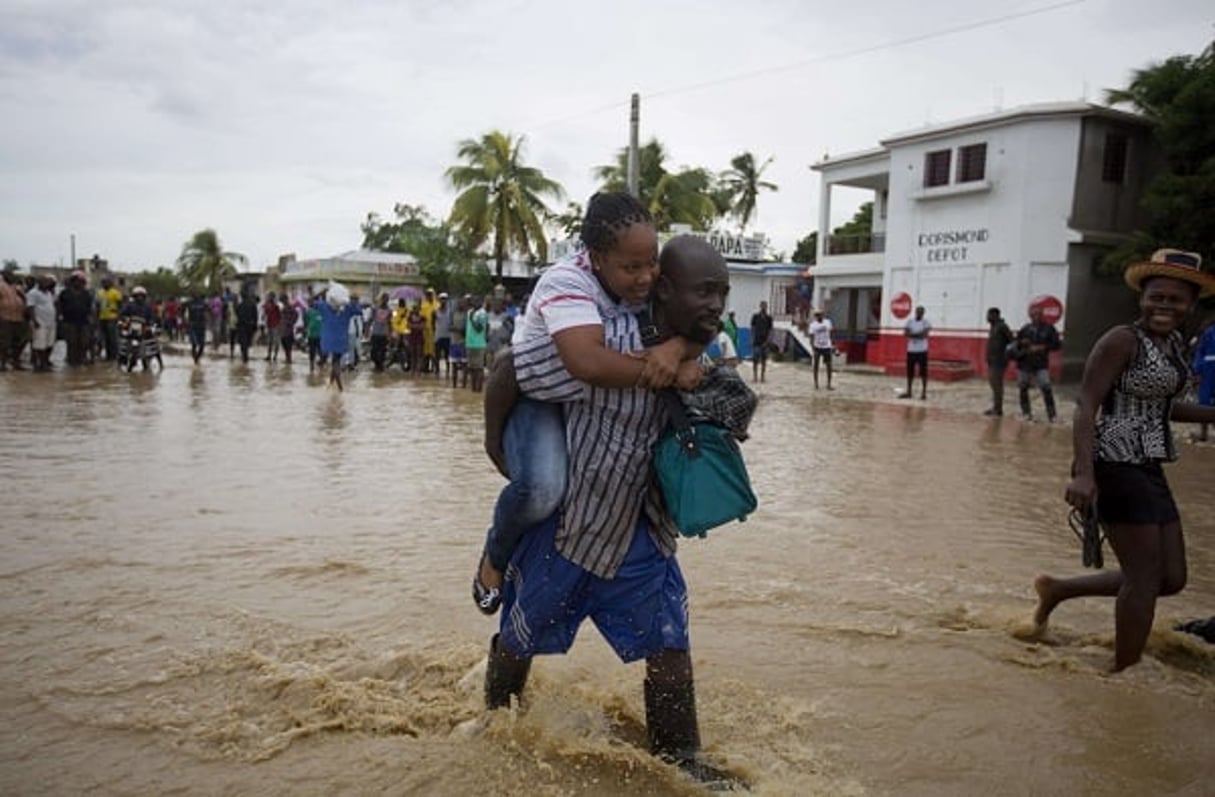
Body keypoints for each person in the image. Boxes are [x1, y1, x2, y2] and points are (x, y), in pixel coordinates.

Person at [480, 230, 742, 787]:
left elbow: (742, 407)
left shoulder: (709, 356)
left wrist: (681, 357)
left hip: (641, 538)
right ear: (665, 291)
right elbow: (509, 367)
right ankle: (492, 723)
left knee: (670, 646)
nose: (717, 306)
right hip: (567, 532)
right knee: (517, 640)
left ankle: (680, 762)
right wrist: (495, 444)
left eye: (722, 293)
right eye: (705, 293)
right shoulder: (600, 344)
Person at [1031, 249, 1215, 672]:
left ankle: (1058, 590)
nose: (1164, 306)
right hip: (1113, 462)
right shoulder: (1122, 340)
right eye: (1157, 297)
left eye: (1176, 300)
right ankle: (1122, 673)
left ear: (1191, 304)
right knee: (1144, 578)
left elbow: (1164, 408)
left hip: (1149, 463)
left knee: (1171, 578)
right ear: (1142, 297)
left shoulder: (1170, 347)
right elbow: (1086, 405)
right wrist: (1083, 473)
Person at [1015, 304, 1062, 421]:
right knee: (1023, 387)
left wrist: (1043, 347)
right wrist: (1022, 344)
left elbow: (1057, 344)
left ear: (1042, 315)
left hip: (1041, 363)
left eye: (1039, 314)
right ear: (1030, 316)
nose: (1036, 316)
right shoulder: (1025, 329)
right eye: (1034, 314)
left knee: (1046, 387)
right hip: (1025, 363)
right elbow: (1016, 344)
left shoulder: (1049, 329)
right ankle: (1026, 413)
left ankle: (1052, 415)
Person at [315, 290, 362, 390]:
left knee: (335, 362)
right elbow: (359, 311)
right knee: (336, 361)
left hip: (327, 340)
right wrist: (353, 301)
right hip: (341, 340)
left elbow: (311, 302)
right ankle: (339, 389)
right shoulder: (347, 309)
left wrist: (319, 293)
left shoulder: (325, 306)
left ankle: (334, 387)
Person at [57, 271, 93, 366]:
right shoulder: (65, 293)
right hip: (69, 321)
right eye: (78, 281)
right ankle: (71, 360)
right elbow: (59, 306)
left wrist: (91, 319)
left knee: (84, 342)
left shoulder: (86, 293)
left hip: (84, 321)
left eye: (82, 281)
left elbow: (90, 307)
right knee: (71, 342)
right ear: (73, 281)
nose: (80, 283)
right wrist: (60, 317)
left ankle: (82, 358)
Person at [984, 307, 1015, 416]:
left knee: (997, 384)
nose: (987, 317)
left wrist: (1007, 355)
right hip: (992, 360)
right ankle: (996, 407)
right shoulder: (994, 327)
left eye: (989, 315)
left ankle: (998, 409)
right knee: (994, 384)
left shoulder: (1002, 327)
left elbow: (1012, 342)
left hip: (999, 361)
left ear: (995, 315)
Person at [25, 274, 57, 372]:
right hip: (40, 322)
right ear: (39, 283)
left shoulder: (49, 293)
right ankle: (40, 365)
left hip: (51, 322)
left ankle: (45, 362)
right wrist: (35, 321)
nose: (47, 284)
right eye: (45, 282)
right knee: (39, 345)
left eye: (48, 282)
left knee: (49, 344)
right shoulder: (33, 293)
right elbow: (30, 307)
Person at [1190, 318, 1215, 442]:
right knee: (1204, 400)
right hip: (1208, 369)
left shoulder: (1208, 331)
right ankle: (1204, 433)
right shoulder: (1208, 332)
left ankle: (1206, 433)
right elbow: (1200, 351)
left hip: (1207, 368)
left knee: (1205, 400)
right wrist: (1197, 371)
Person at [899, 305, 930, 400]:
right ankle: (909, 392)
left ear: (923, 313)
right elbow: (905, 333)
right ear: (915, 312)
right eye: (918, 311)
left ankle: (923, 393)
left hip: (922, 350)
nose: (919, 313)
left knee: (923, 372)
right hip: (911, 350)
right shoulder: (910, 321)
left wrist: (912, 334)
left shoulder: (926, 322)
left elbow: (924, 335)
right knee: (909, 372)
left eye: (921, 312)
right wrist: (917, 334)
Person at [0, 267, 28, 371]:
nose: (12, 277)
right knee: (4, 342)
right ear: (4, 276)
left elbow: (25, 299)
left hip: (19, 318)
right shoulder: (1, 286)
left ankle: (16, 362)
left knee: (19, 341)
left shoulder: (17, 287)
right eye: (9, 275)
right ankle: (2, 364)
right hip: (5, 318)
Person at [464, 297, 488, 392]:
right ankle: (473, 390)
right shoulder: (469, 311)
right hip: (469, 343)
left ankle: (479, 389)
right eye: (473, 301)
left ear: (480, 302)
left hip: (479, 344)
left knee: (479, 368)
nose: (474, 302)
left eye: (476, 300)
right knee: (471, 368)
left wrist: (472, 319)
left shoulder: (482, 313)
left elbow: (479, 329)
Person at [808, 308, 834, 390]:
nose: (819, 316)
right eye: (817, 315)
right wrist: (812, 347)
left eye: (820, 314)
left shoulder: (828, 322)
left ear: (823, 315)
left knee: (829, 365)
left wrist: (833, 344)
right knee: (816, 365)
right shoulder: (813, 325)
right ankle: (816, 384)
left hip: (827, 346)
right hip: (817, 347)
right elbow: (811, 337)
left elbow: (831, 333)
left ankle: (829, 384)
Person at [97, 277, 122, 361]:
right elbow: (97, 305)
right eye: (103, 283)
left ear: (110, 284)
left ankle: (114, 355)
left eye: (107, 282)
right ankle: (108, 355)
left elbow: (120, 304)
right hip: (102, 317)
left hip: (112, 317)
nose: (105, 284)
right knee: (104, 338)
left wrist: (119, 314)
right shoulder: (100, 293)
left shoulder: (115, 293)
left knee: (112, 337)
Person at [750, 300, 773, 383]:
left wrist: (768, 340)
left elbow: (770, 330)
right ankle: (755, 376)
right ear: (760, 307)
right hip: (756, 341)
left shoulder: (769, 318)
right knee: (755, 359)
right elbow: (752, 328)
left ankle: (762, 377)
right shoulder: (755, 317)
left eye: (765, 306)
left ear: (766, 307)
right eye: (762, 306)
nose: (763, 308)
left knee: (764, 360)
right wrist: (752, 339)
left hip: (765, 341)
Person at [368, 294, 392, 372]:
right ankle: (377, 364)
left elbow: (390, 322)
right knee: (374, 351)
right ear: (381, 299)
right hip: (375, 332)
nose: (385, 301)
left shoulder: (389, 310)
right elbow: (370, 319)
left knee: (383, 351)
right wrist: (367, 330)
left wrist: (390, 333)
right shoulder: (375, 308)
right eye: (384, 299)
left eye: (387, 299)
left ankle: (380, 366)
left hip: (384, 333)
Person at [449, 296, 468, 387]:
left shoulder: (467, 315)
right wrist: (455, 328)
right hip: (454, 342)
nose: (460, 305)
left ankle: (463, 385)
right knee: (454, 365)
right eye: (459, 303)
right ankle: (454, 385)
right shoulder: (453, 314)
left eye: (462, 303)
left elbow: (467, 329)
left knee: (464, 365)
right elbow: (449, 326)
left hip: (463, 342)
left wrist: (460, 330)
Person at [234, 293, 259, 363]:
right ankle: (245, 356)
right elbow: (255, 316)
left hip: (242, 326)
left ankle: (244, 356)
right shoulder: (252, 305)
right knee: (247, 341)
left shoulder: (240, 305)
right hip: (249, 326)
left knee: (243, 342)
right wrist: (255, 325)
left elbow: (237, 314)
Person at [185, 292, 208, 364]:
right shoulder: (189, 303)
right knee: (194, 344)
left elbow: (209, 311)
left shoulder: (203, 303)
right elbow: (181, 309)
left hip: (201, 325)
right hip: (193, 325)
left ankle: (197, 358)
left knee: (202, 345)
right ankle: (195, 360)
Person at [420, 288, 439, 374]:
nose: (429, 296)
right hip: (426, 330)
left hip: (435, 330)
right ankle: (425, 367)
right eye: (428, 294)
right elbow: (422, 317)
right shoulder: (423, 305)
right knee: (425, 350)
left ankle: (436, 368)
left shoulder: (437, 305)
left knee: (434, 351)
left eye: (431, 294)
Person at [434, 292, 453, 377]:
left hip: (448, 336)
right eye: (441, 299)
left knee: (447, 356)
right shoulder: (435, 312)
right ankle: (437, 371)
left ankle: (448, 372)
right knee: (437, 355)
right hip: (438, 336)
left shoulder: (450, 312)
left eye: (445, 299)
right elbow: (432, 323)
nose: (443, 301)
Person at [279, 296, 299, 365]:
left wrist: (291, 322)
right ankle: (287, 359)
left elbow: (296, 314)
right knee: (285, 345)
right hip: (283, 330)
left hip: (288, 330)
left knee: (288, 346)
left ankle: (289, 359)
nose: (282, 302)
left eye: (283, 300)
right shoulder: (283, 307)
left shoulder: (290, 307)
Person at [304, 298, 323, 373]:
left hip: (317, 335)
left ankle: (314, 365)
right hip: (313, 335)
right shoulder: (309, 312)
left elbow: (306, 322)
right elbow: (306, 322)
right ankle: (314, 365)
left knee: (315, 351)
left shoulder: (310, 312)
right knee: (315, 350)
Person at [263, 293, 282, 362]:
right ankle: (269, 355)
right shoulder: (267, 307)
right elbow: (265, 314)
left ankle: (275, 356)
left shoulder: (276, 307)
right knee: (270, 341)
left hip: (275, 325)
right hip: (270, 325)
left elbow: (280, 316)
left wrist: (279, 324)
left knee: (275, 341)